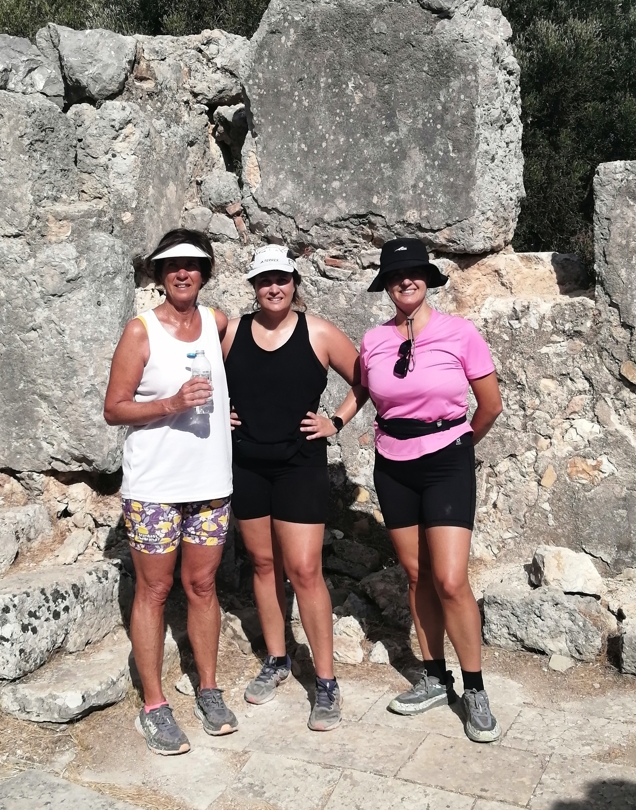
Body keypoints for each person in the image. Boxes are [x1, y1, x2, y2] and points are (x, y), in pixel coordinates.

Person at [338, 237, 504, 742]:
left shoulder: (460, 333)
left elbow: (490, 405)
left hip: (447, 460)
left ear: (427, 279)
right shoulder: (374, 339)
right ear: (386, 285)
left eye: (413, 272)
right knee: (416, 576)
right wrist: (335, 420)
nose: (405, 281)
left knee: (450, 579)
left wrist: (457, 446)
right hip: (393, 465)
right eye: (395, 275)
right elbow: (363, 388)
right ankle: (435, 678)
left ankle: (475, 689)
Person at [103, 228, 238, 756]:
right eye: (173, 265)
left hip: (210, 482)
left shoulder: (217, 322)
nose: (183, 272)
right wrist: (172, 404)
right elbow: (114, 409)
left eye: (193, 264)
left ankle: (208, 689)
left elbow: (230, 372)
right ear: (160, 275)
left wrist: (228, 409)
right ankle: (155, 705)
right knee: (154, 591)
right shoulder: (140, 332)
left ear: (205, 272)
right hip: (155, 487)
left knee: (202, 586)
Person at [221, 245, 361, 731]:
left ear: (294, 282)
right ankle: (277, 659)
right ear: (253, 286)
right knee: (263, 564)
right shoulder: (231, 332)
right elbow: (197, 376)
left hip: (300, 465)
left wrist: (335, 421)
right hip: (248, 465)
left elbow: (366, 378)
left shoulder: (318, 332)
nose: (273, 287)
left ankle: (326, 682)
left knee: (304, 570)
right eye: (264, 280)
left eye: (281, 278)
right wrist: (218, 415)